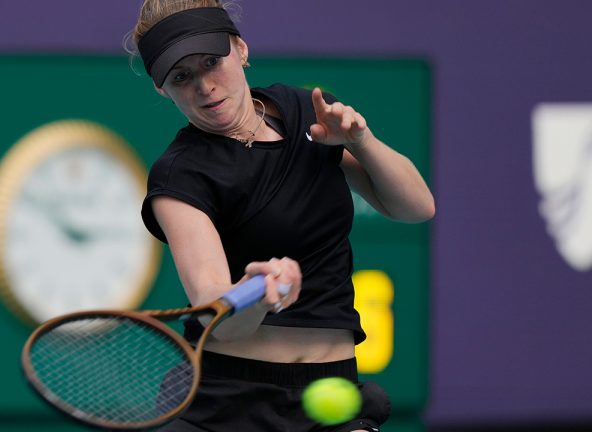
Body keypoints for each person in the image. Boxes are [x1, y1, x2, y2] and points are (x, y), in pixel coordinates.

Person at [127, 1, 435, 431]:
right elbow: (215, 312)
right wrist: (257, 295)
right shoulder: (179, 175)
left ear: (241, 49)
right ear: (163, 89)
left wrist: (360, 141)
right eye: (181, 77)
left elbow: (416, 208)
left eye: (212, 62)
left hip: (331, 394)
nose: (204, 86)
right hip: (224, 406)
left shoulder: (309, 112)